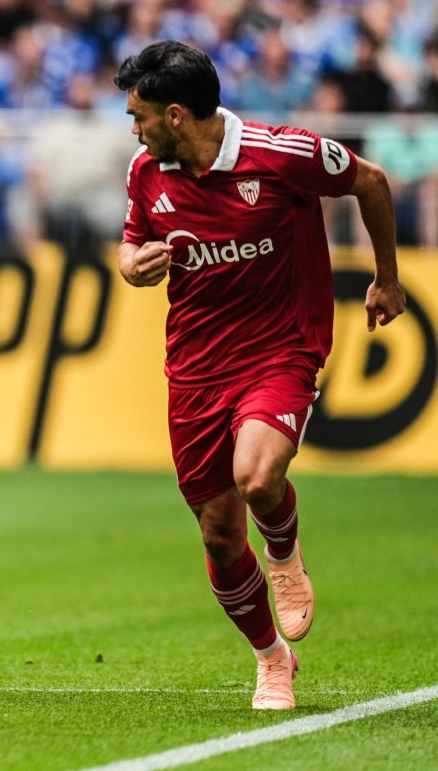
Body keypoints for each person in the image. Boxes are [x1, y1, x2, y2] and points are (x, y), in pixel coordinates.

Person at [114, 42, 406, 710]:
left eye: (140, 115)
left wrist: (388, 280)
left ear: (178, 115)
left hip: (282, 346)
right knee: (218, 533)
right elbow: (130, 244)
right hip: (194, 365)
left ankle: (284, 551)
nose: (134, 128)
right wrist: (134, 266)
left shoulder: (283, 154)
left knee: (258, 476)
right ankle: (273, 659)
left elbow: (373, 182)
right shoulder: (146, 171)